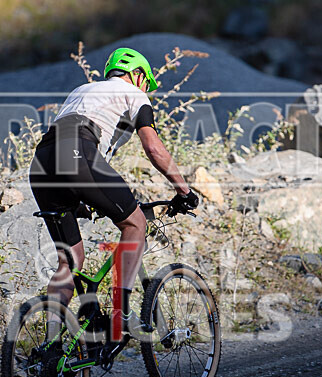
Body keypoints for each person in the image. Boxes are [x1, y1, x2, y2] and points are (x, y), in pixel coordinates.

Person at [29, 47, 199, 347]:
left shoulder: (82, 90)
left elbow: (64, 149)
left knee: (70, 261)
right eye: (146, 81)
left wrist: (81, 199)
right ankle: (121, 317)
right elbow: (153, 148)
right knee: (135, 226)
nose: (147, 88)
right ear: (135, 74)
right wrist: (183, 190)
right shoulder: (135, 94)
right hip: (79, 154)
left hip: (41, 164)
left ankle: (52, 344)